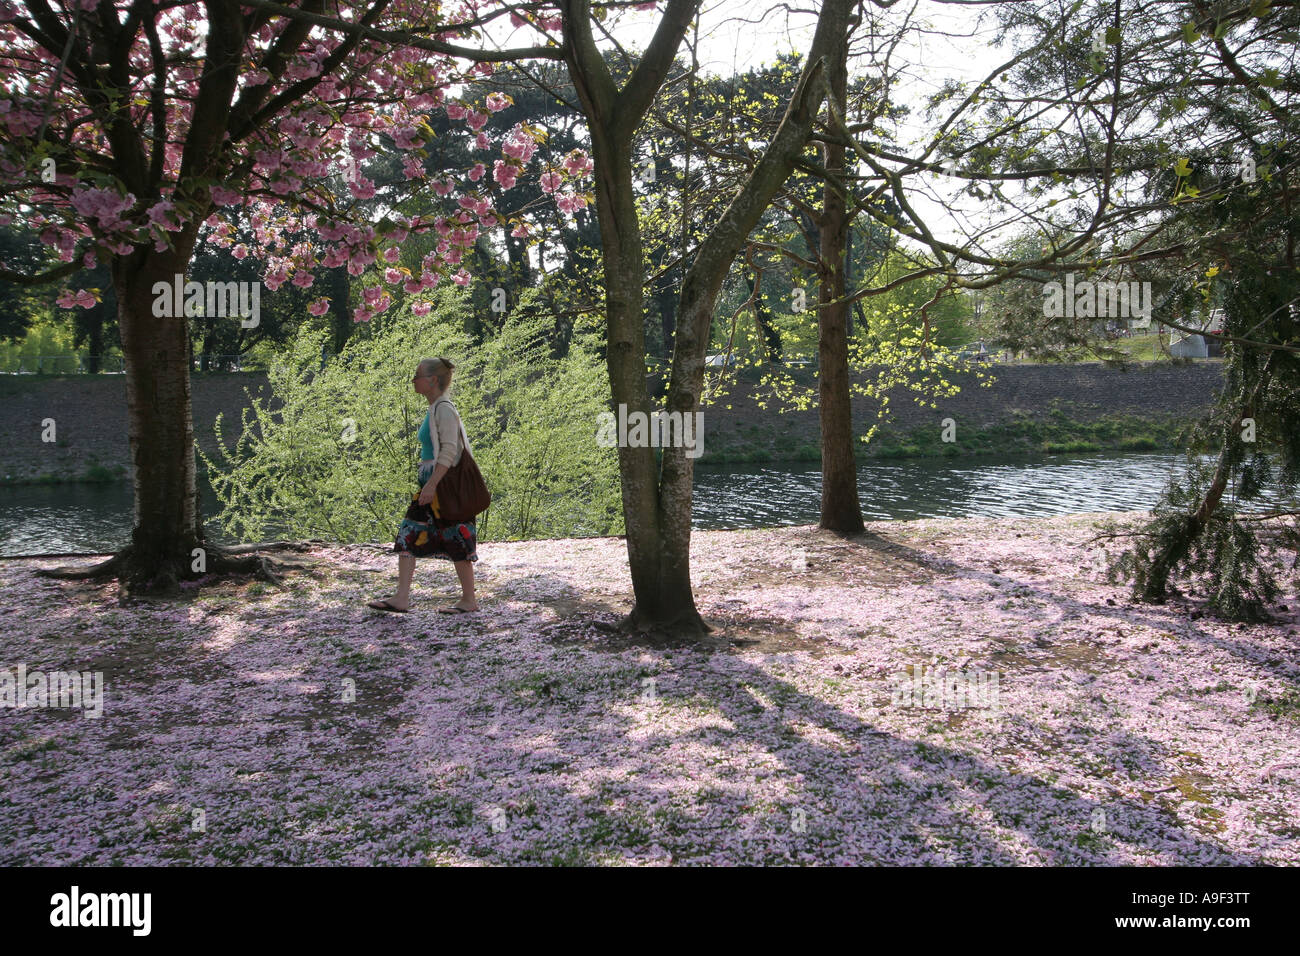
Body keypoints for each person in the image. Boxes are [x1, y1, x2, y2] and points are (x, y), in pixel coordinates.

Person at [368, 357, 480, 615]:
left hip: (442, 488)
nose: (413, 380)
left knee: (455, 537)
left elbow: (451, 451)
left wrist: (431, 485)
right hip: (432, 485)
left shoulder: (444, 409)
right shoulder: (434, 408)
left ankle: (468, 600)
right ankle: (402, 597)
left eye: (417, 375)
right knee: (410, 534)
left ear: (432, 380)